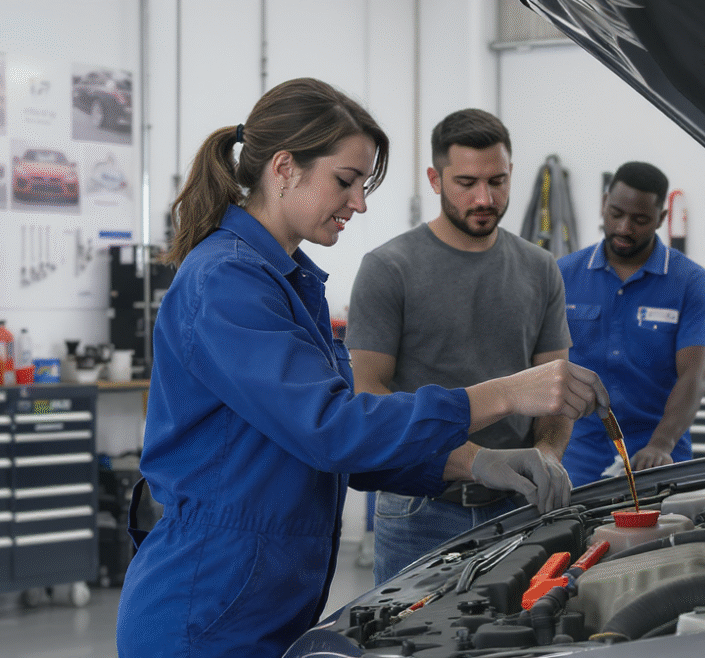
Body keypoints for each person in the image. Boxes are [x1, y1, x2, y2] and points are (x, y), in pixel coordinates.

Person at [114, 79, 605, 658]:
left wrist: (476, 463)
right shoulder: (226, 281)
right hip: (204, 607)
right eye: (346, 181)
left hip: (256, 599)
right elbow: (332, 429)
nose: (360, 203)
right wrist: (505, 395)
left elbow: (338, 440)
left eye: (363, 185)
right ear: (284, 168)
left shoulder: (287, 279)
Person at [347, 109, 574, 582]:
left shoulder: (540, 269)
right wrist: (473, 462)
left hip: (518, 507)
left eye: (498, 181)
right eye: (466, 183)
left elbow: (556, 391)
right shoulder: (388, 268)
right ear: (435, 179)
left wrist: (548, 456)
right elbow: (367, 394)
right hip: (419, 511)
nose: (484, 198)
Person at [557, 162, 705, 486]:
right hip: (576, 456)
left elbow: (695, 374)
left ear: (660, 218)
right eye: (616, 213)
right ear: (604, 204)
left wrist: (661, 445)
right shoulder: (562, 275)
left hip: (657, 457)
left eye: (640, 220)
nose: (624, 228)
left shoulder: (691, 282)